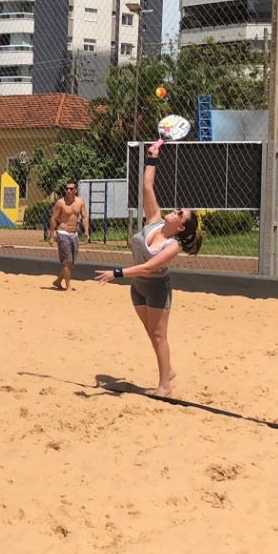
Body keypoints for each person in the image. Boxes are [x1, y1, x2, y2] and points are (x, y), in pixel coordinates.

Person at [95, 142, 203, 397]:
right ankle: (168, 370)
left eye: (180, 214)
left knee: (158, 335)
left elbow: (145, 268)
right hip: (138, 288)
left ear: (180, 227)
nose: (175, 211)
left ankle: (165, 386)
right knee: (151, 334)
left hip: (156, 288)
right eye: (178, 210)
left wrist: (116, 273)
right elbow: (147, 187)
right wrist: (152, 159)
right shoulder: (154, 220)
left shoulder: (172, 246)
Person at [47, 179, 90, 291]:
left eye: (71, 188)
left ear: (76, 190)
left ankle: (57, 281)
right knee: (68, 262)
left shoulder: (80, 201)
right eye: (66, 188)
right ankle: (68, 286)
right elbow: (54, 219)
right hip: (63, 233)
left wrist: (86, 232)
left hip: (74, 234)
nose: (68, 191)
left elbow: (84, 217)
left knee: (72, 264)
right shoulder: (61, 203)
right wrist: (51, 236)